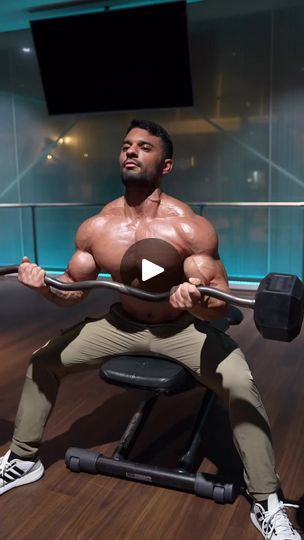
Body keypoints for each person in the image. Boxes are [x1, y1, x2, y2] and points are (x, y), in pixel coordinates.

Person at [0, 119, 300, 540]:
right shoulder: (97, 228)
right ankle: (23, 458)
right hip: (121, 324)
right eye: (126, 145)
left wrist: (197, 300)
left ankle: (267, 499)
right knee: (43, 362)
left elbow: (220, 305)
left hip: (181, 329)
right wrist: (43, 288)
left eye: (144, 146)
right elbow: (72, 292)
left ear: (166, 164)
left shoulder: (189, 227)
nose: (131, 151)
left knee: (239, 382)